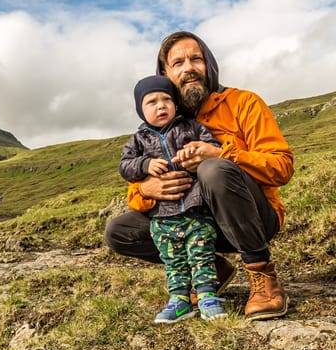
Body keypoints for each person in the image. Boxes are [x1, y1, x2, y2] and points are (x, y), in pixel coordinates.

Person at [105, 31, 294, 320]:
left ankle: (263, 277)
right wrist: (146, 189)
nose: (189, 67)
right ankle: (210, 267)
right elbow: (135, 183)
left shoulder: (244, 103)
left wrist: (222, 155)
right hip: (194, 224)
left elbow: (282, 167)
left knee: (212, 169)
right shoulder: (161, 119)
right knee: (119, 232)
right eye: (178, 62)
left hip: (254, 220)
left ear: (209, 64)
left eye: (196, 59)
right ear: (166, 73)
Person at [119, 75, 224, 323]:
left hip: (195, 209)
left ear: (176, 103)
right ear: (140, 110)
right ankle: (179, 301)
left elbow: (211, 145)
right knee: (173, 260)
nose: (161, 105)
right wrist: (144, 164)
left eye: (166, 99)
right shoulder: (138, 141)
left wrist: (196, 151)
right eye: (152, 102)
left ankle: (208, 296)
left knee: (202, 254)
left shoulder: (191, 127)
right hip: (162, 217)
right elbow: (125, 166)